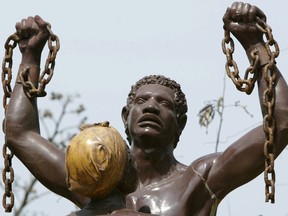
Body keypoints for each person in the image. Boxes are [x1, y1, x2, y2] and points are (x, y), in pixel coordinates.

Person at [4, 2, 288, 216]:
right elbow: (20, 134)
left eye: (163, 104)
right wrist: (30, 56)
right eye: (141, 101)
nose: (151, 106)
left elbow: (280, 123)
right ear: (126, 118)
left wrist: (255, 45)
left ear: (180, 123)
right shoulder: (95, 178)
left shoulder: (198, 179)